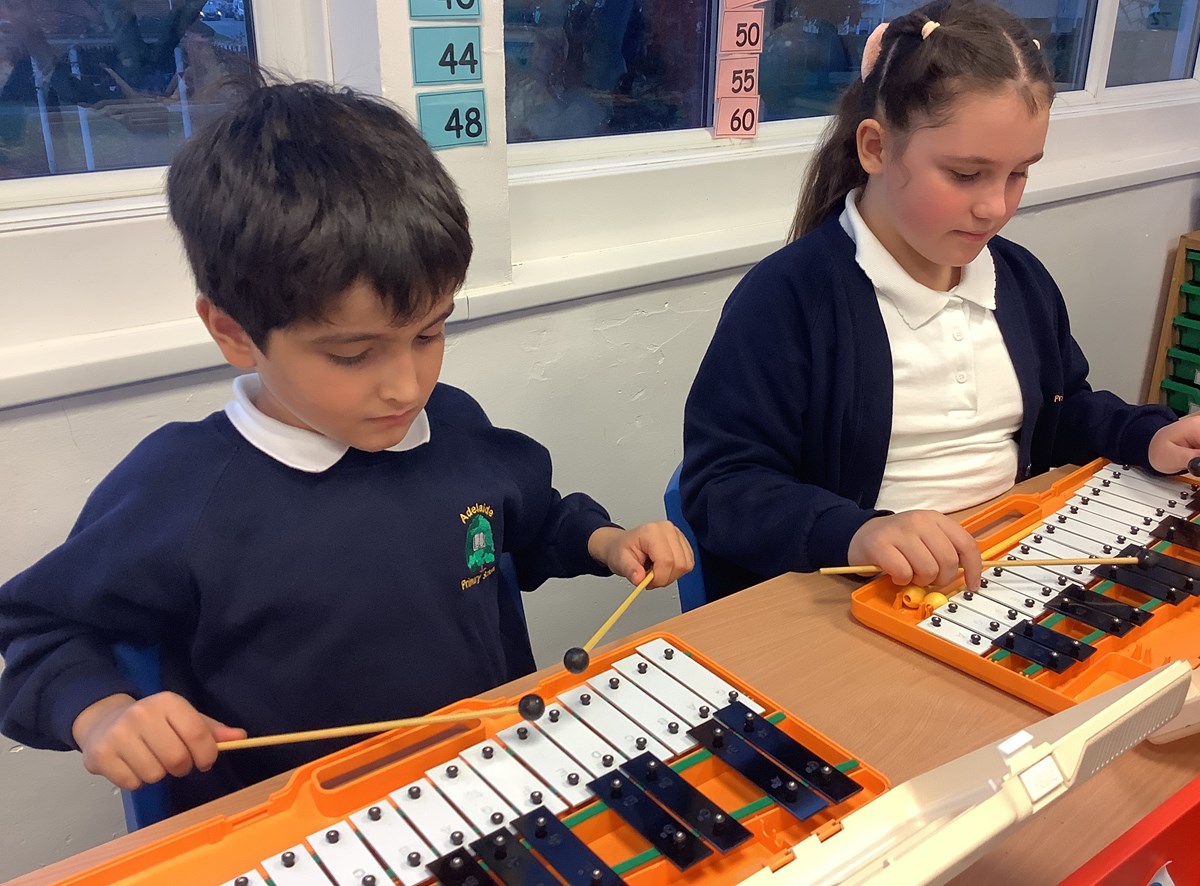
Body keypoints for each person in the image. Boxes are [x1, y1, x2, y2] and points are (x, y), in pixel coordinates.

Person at [0, 78, 693, 811]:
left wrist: (610, 543)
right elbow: (40, 629)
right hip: (308, 828)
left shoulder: (452, 427)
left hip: (489, 786)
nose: (405, 385)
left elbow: (534, 520)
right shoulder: (183, 489)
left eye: (429, 333)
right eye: (353, 354)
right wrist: (104, 714)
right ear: (233, 332)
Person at [680, 0, 1200, 601]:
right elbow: (722, 489)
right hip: (857, 595)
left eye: (1018, 174)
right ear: (874, 148)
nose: (995, 207)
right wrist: (858, 534)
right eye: (964, 174)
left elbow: (1060, 413)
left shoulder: (1020, 280)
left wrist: (1146, 436)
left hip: (1003, 563)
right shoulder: (787, 299)